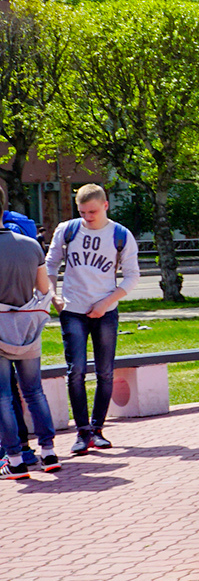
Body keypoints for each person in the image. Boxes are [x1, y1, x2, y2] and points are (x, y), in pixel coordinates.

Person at [45, 184, 138, 455]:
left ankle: (98, 429)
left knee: (105, 371)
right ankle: (82, 431)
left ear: (105, 206)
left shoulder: (121, 234)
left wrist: (106, 302)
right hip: (73, 309)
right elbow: (50, 264)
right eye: (82, 212)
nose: (87, 217)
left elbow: (132, 275)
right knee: (75, 372)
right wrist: (53, 296)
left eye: (92, 211)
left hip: (105, 311)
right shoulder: (68, 229)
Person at [0, 186, 57, 478]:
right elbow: (44, 289)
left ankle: (15, 459)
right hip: (26, 328)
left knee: (2, 397)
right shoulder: (31, 244)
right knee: (34, 391)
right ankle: (48, 452)